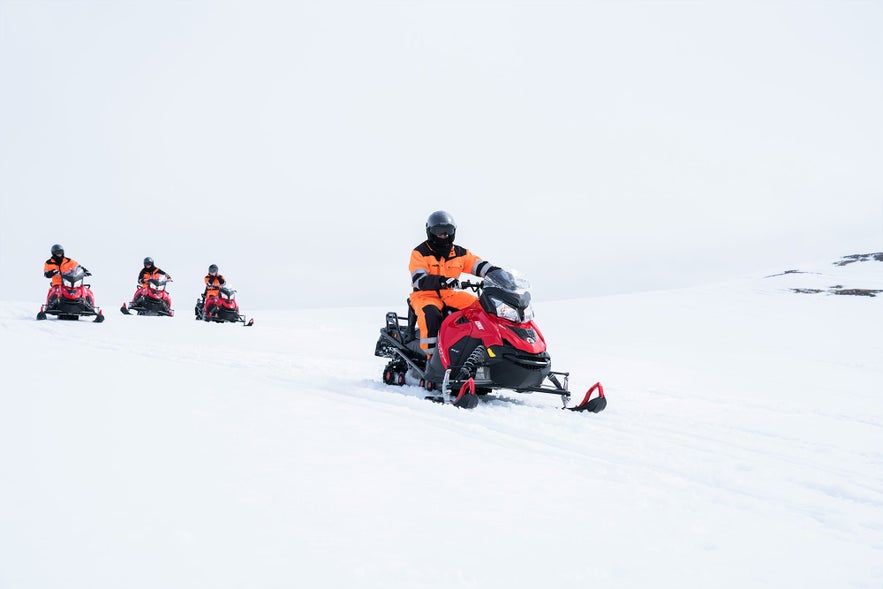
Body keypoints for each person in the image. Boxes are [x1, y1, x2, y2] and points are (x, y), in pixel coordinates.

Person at [409, 211, 498, 357]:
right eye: (439, 231)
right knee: (430, 315)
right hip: (424, 296)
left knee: (481, 308)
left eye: (448, 231)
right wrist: (442, 281)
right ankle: (431, 358)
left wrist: (496, 272)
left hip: (450, 295)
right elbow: (419, 280)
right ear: (430, 232)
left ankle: (483, 349)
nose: (444, 235)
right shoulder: (420, 253)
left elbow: (477, 265)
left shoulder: (459, 253)